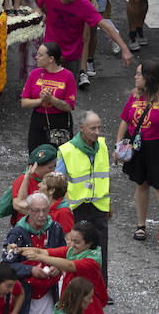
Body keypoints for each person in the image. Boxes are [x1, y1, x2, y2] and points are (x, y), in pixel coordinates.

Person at [115, 60, 159, 242]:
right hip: (138, 148)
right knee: (141, 184)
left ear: (149, 78)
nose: (135, 77)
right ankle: (141, 225)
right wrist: (118, 146)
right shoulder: (135, 95)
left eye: (139, 74)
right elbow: (125, 120)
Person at [33, 0, 132, 89]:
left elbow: (104, 25)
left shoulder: (83, 3)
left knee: (66, 91)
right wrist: (43, 10)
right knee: (46, 89)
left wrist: (124, 48)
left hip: (72, 55)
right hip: (51, 52)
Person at [54, 111, 111, 284]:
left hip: (99, 205)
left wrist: (110, 203)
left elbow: (104, 176)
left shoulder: (102, 145)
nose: (97, 132)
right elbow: (59, 182)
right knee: (77, 248)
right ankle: (76, 285)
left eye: (99, 127)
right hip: (77, 208)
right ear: (81, 128)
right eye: (92, 128)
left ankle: (101, 287)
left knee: (101, 248)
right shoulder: (68, 151)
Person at [19, 222, 108, 314]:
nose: (72, 244)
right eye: (71, 240)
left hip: (87, 307)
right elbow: (43, 252)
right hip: (73, 303)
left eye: (76, 242)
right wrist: (19, 249)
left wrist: (39, 258)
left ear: (89, 244)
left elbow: (69, 265)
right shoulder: (73, 251)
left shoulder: (92, 261)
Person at [21, 42, 76, 153]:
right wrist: (40, 101)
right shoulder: (34, 74)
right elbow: (24, 102)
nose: (36, 57)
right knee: (36, 156)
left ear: (51, 58)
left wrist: (52, 99)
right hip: (38, 119)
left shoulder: (68, 76)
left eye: (40, 55)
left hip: (60, 121)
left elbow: (69, 107)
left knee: (59, 158)